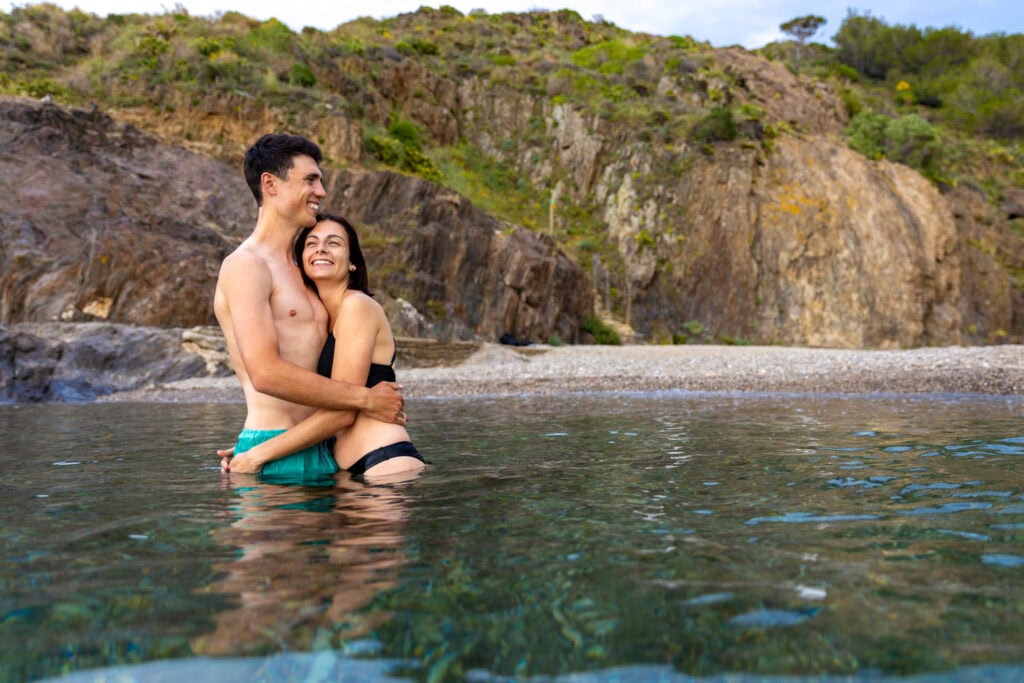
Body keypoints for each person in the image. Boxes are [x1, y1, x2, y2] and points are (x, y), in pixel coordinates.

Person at [214, 133, 405, 482]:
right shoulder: (246, 266)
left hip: (323, 447)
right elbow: (265, 373)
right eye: (311, 180)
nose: (321, 192)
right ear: (270, 184)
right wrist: (365, 398)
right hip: (271, 452)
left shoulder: (305, 273)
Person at [223, 213, 426, 480]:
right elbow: (329, 400)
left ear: (352, 262)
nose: (321, 249)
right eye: (311, 243)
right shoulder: (327, 318)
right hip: (345, 469)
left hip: (384, 462)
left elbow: (342, 412)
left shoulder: (357, 307)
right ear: (302, 260)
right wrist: (251, 446)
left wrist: (257, 455)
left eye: (334, 243)